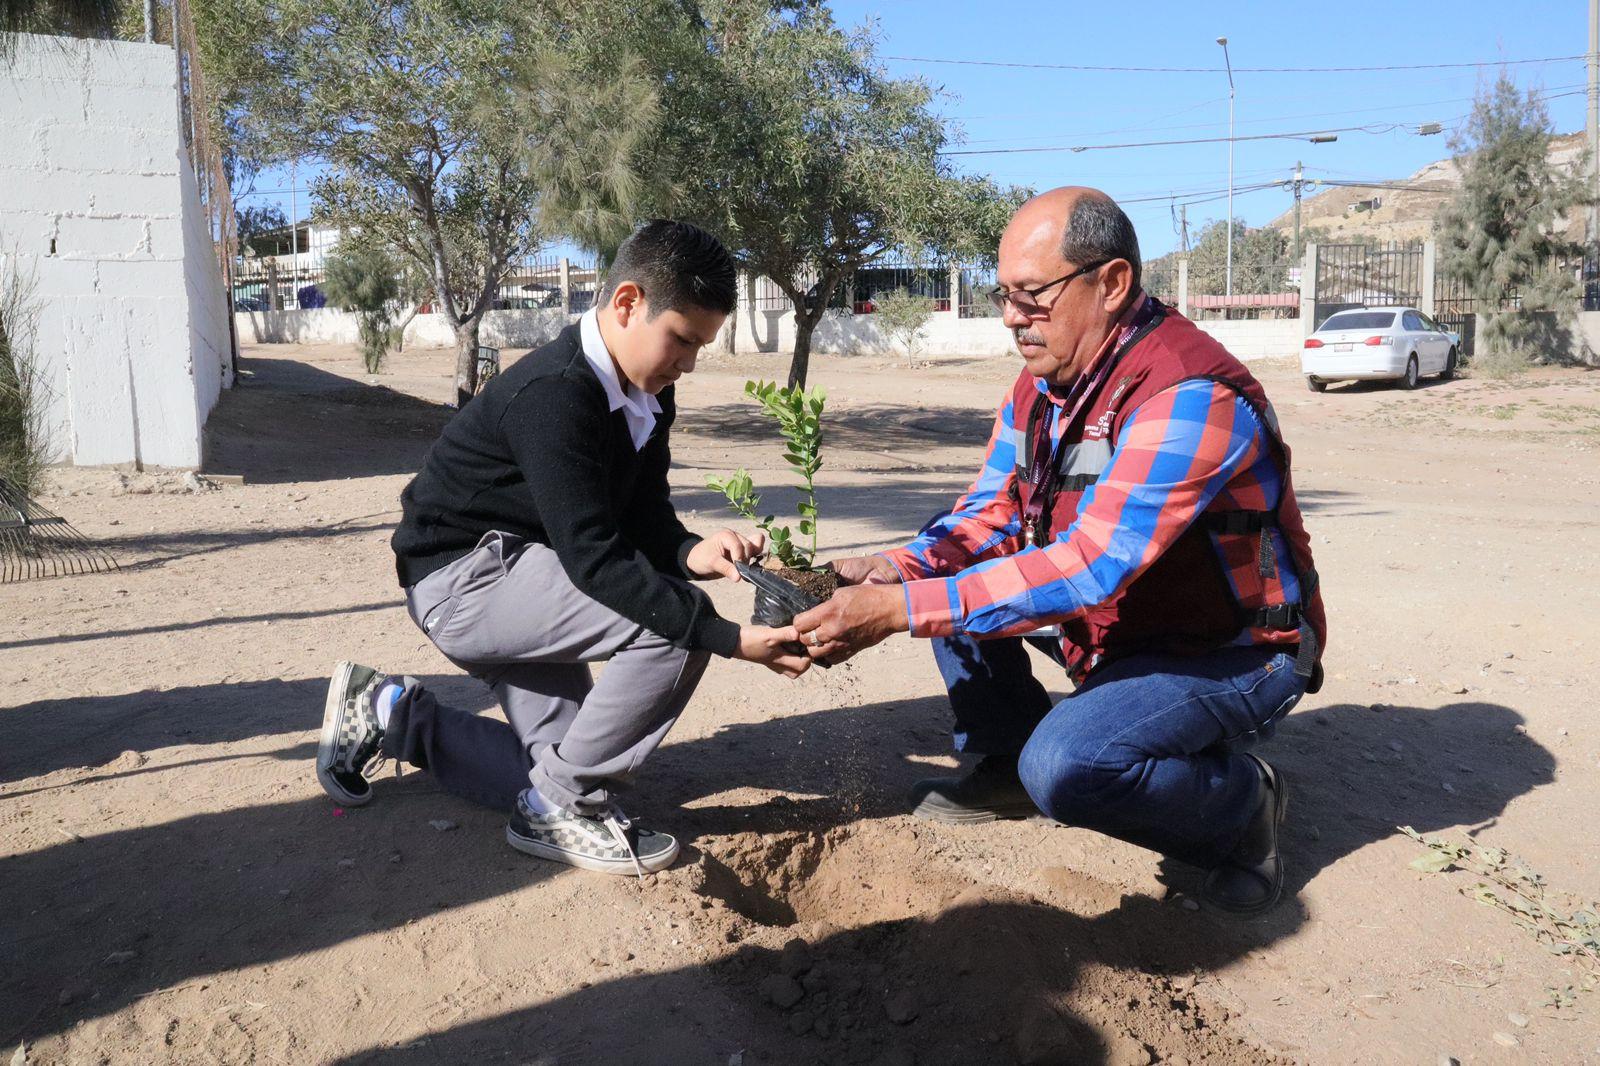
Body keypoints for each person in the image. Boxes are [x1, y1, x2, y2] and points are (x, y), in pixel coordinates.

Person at [795, 188, 1327, 916]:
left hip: (1232, 650)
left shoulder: (1190, 393)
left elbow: (1091, 564)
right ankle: (1004, 759)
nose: (1013, 317)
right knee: (938, 550)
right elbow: (987, 514)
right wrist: (894, 568)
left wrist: (896, 610)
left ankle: (1244, 808)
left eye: (1032, 295)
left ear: (1110, 284)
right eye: (1004, 295)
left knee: (1070, 766)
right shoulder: (1040, 385)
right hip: (1120, 627)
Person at [316, 220, 811, 877]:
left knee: (564, 762)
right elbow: (595, 556)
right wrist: (726, 638)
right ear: (629, 303)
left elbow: (642, 516)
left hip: (527, 574)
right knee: (674, 630)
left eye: (700, 347)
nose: (688, 362)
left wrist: (696, 550)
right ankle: (561, 811)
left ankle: (385, 711)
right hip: (466, 582)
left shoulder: (645, 395)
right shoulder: (555, 395)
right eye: (683, 340)